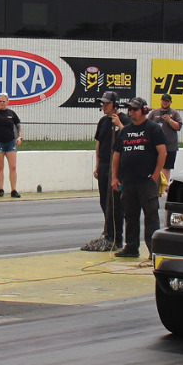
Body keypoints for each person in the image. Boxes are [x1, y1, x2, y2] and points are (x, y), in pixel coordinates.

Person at [111, 97, 167, 259]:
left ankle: (153, 250)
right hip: (128, 181)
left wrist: (155, 175)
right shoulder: (125, 131)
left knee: (151, 215)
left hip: (146, 181)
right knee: (130, 215)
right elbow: (117, 155)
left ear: (144, 110)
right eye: (129, 109)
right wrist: (115, 177)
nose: (131, 112)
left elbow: (162, 152)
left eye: (134, 109)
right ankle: (131, 247)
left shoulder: (153, 128)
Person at [82, 91, 125, 251]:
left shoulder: (124, 120)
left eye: (107, 103)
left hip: (118, 167)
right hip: (104, 165)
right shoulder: (103, 121)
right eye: (103, 103)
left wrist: (120, 125)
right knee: (104, 201)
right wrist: (97, 164)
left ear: (115, 104)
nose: (104, 106)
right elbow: (99, 143)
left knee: (116, 203)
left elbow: (129, 138)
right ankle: (108, 233)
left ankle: (117, 237)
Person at [149, 93, 182, 189]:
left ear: (170, 102)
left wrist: (170, 120)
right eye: (163, 100)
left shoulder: (174, 113)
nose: (165, 102)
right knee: (154, 165)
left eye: (167, 101)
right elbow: (147, 124)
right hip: (155, 145)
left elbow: (178, 127)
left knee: (167, 167)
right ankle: (153, 184)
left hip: (170, 146)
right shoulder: (154, 113)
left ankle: (164, 186)